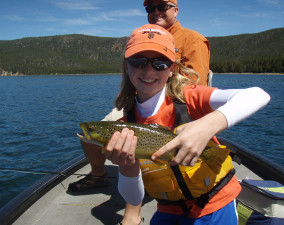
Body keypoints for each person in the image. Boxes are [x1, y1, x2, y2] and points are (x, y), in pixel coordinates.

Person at [103, 24, 270, 225]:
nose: (148, 69)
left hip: (215, 204)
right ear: (126, 67)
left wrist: (207, 125)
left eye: (160, 62)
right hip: (168, 209)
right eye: (138, 61)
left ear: (172, 69)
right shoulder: (125, 127)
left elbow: (258, 95)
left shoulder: (190, 98)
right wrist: (127, 167)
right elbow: (134, 198)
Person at [68, 0, 210, 193]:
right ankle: (98, 175)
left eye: (162, 7)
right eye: (150, 8)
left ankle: (135, 200)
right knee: (89, 136)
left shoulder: (192, 39)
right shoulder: (144, 35)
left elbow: (195, 83)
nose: (156, 12)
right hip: (135, 103)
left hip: (173, 104)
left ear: (176, 10)